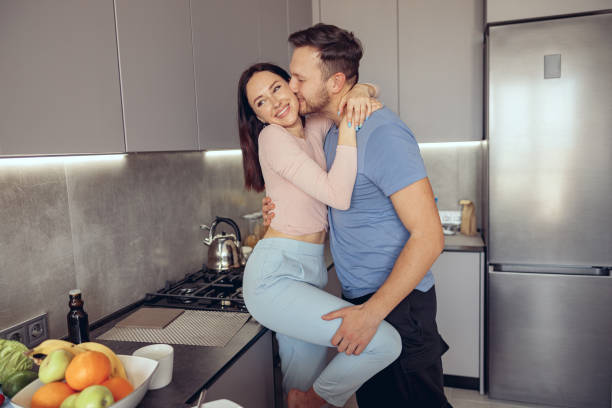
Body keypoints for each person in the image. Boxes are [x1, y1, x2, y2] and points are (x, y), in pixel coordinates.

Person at [263, 24, 452, 407]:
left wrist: (371, 314)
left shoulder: (382, 133)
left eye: (299, 78)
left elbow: (430, 237)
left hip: (396, 305)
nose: (292, 87)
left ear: (334, 83)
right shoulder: (334, 131)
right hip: (364, 302)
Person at [237, 62, 401, 408]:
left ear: (292, 85)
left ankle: (305, 398)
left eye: (276, 88)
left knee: (299, 382)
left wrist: (359, 91)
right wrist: (348, 130)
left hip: (311, 272)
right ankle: (314, 400)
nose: (275, 102)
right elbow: (338, 196)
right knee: (383, 341)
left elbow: (360, 93)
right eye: (260, 103)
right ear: (259, 118)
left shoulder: (316, 126)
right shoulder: (271, 138)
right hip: (273, 278)